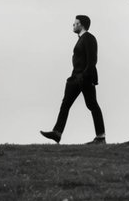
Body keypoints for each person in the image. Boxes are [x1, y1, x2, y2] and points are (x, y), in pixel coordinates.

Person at [41, 14, 106, 145]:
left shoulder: (89, 38)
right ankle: (57, 133)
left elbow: (92, 60)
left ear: (81, 24)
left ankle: (100, 137)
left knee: (92, 105)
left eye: (75, 23)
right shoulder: (81, 39)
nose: (73, 25)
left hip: (84, 78)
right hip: (75, 77)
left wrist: (84, 76)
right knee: (65, 104)